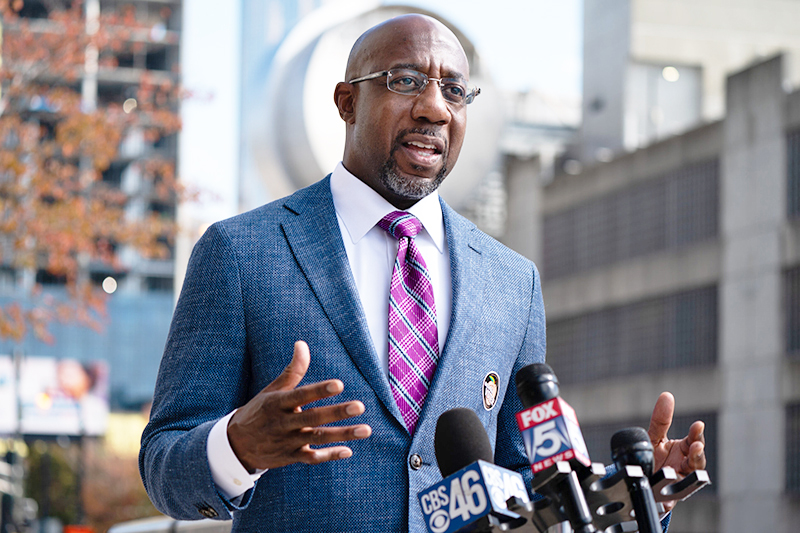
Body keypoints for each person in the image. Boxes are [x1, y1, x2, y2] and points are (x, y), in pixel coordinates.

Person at [139, 14, 705, 533]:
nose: (435, 108)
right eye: (405, 81)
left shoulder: (514, 282)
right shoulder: (241, 252)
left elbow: (524, 487)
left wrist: (633, 492)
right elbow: (165, 464)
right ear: (346, 102)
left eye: (455, 90)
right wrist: (237, 446)